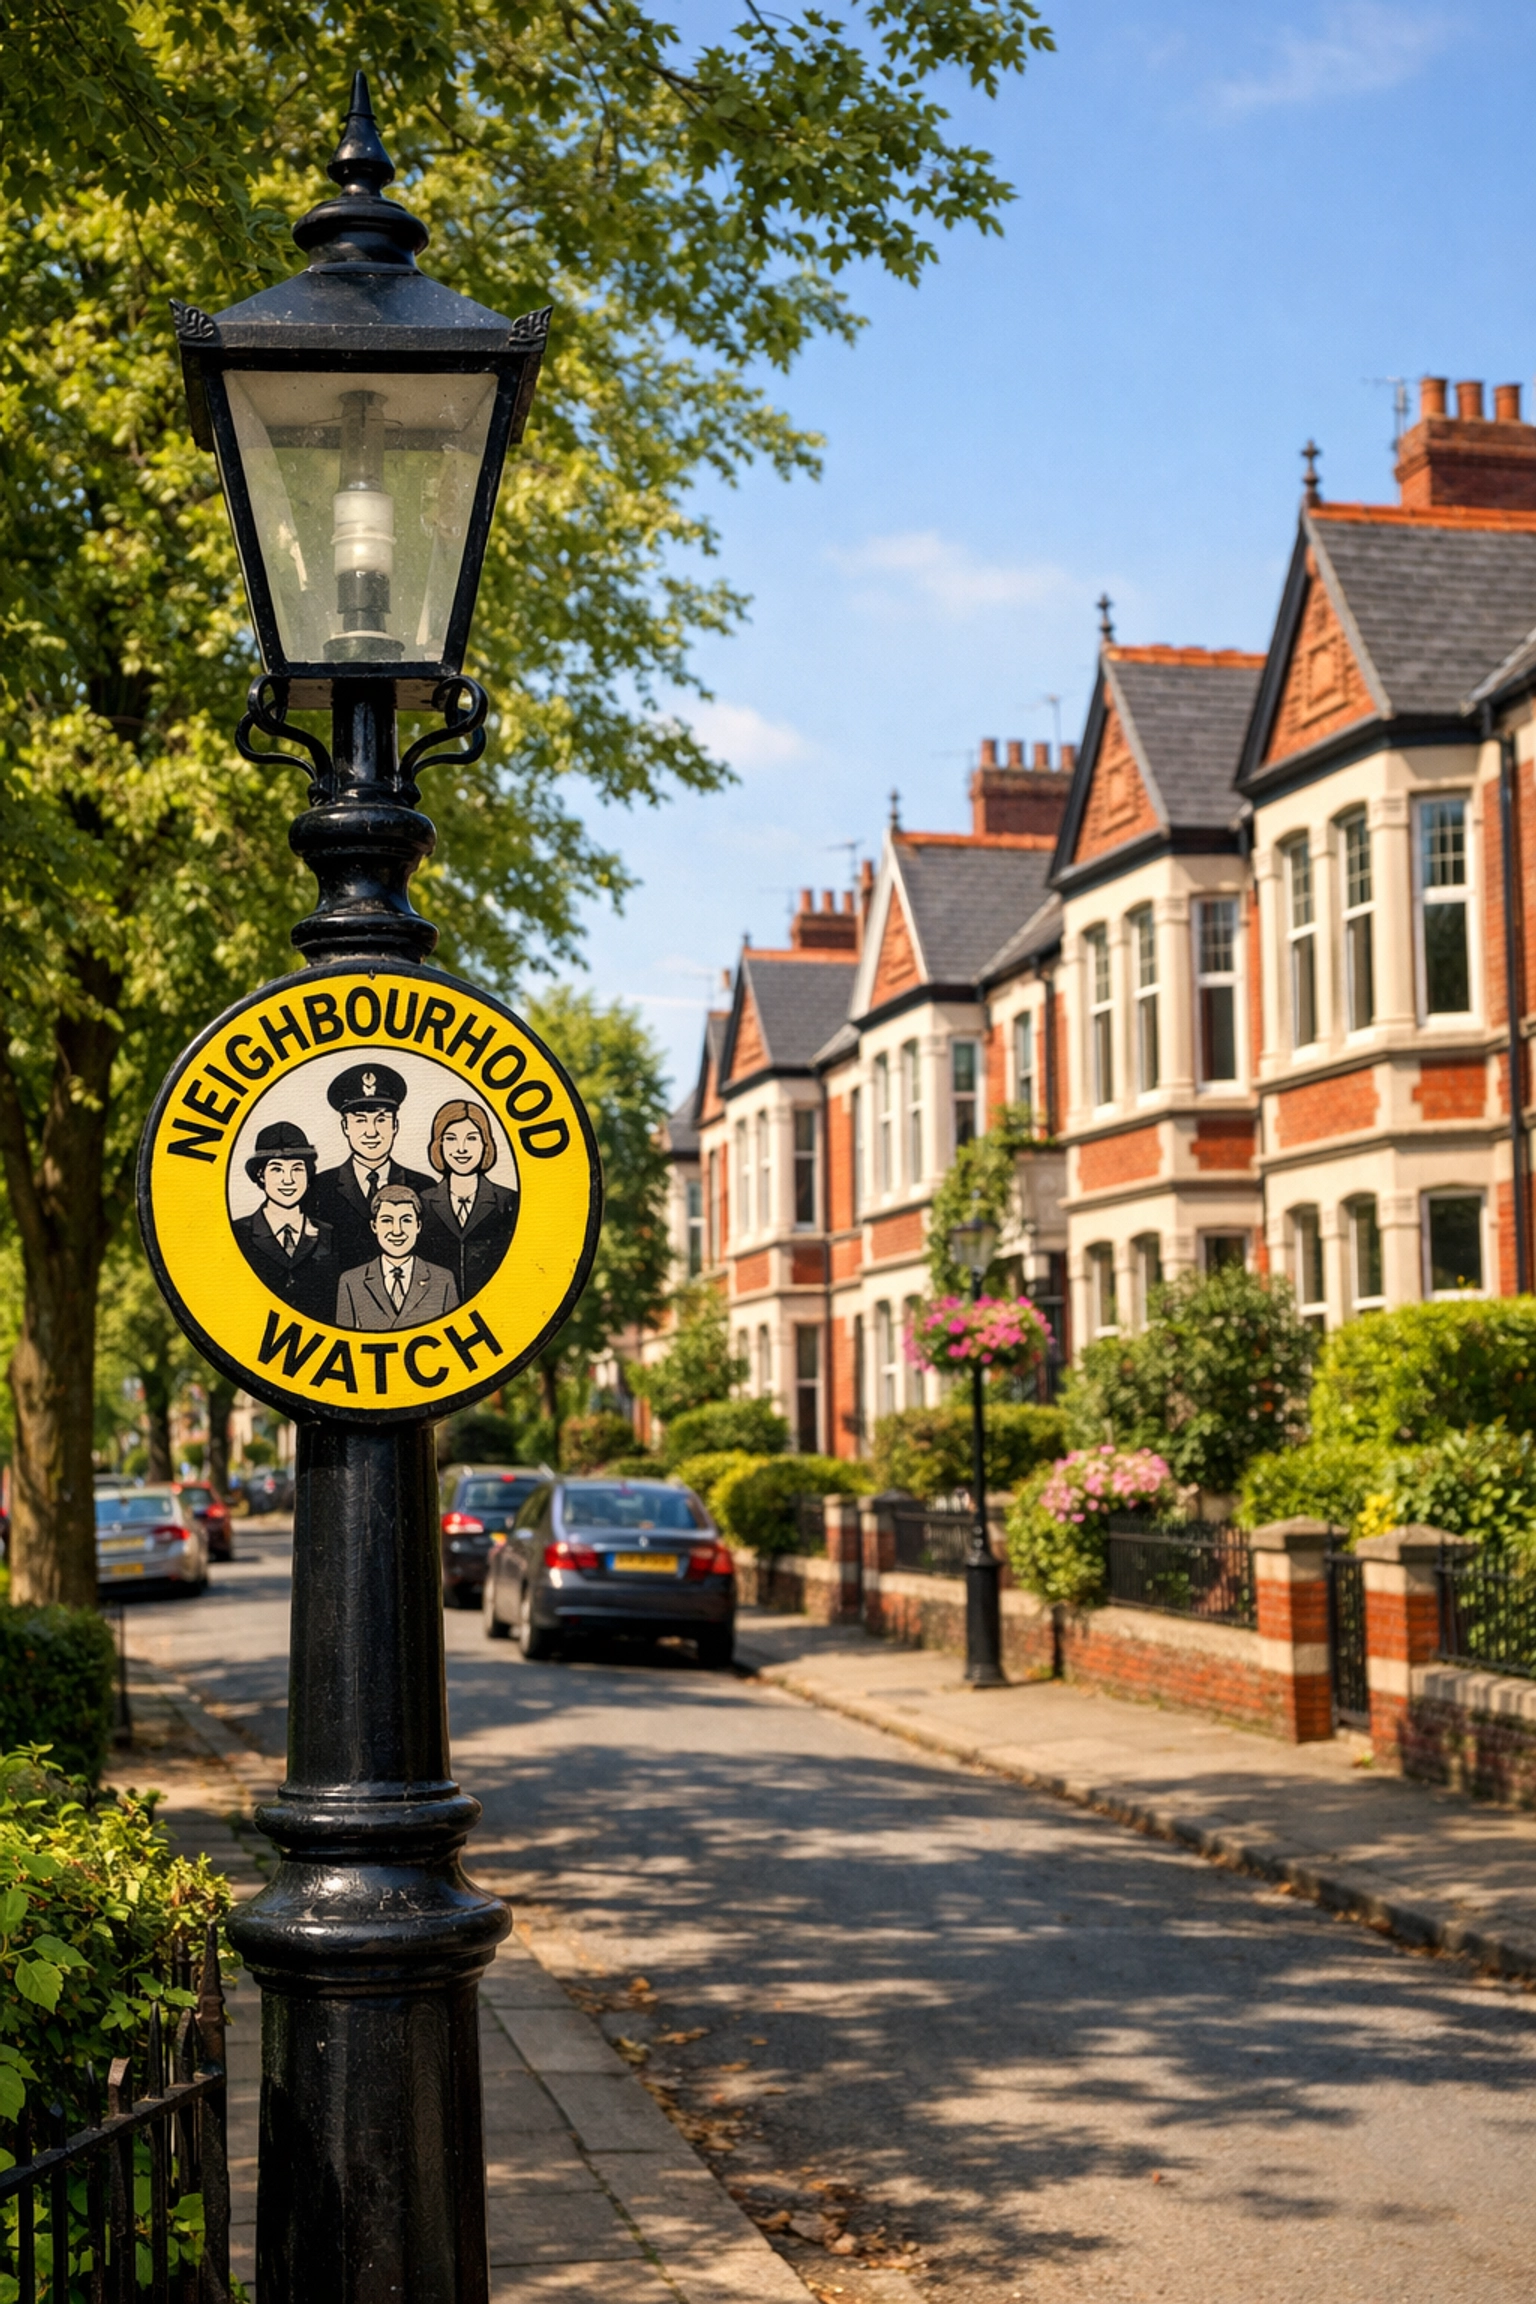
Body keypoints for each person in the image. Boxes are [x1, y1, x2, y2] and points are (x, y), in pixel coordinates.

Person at [309, 1062, 436, 1279]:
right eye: (360, 1120)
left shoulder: (425, 1187)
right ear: (345, 1127)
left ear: (395, 1125)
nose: (371, 1132)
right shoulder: (319, 1187)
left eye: (381, 1119)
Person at [231, 1120, 338, 1322]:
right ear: (261, 1175)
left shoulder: (330, 1235)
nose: (288, 1180)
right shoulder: (238, 1234)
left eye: (297, 1169)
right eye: (277, 1169)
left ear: (308, 1174)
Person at [418, 1097, 519, 1303]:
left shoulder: (508, 1201)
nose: (461, 1148)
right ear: (440, 1144)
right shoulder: (423, 1203)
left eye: (471, 1138)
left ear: (485, 1143)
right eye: (451, 1138)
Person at [335, 1185, 460, 1330]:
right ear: (374, 1226)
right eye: (387, 1220)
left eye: (406, 1220)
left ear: (418, 1226)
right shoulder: (351, 1281)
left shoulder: (443, 1279)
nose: (397, 1231)